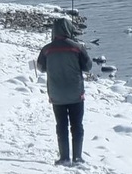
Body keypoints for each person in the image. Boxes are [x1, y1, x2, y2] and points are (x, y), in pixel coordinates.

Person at [36, 18, 93, 166]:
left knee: (61, 126)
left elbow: (41, 67)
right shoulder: (77, 47)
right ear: (69, 29)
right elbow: (87, 67)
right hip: (75, 94)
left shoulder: (47, 49)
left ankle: (64, 157)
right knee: (77, 126)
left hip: (57, 95)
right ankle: (78, 157)